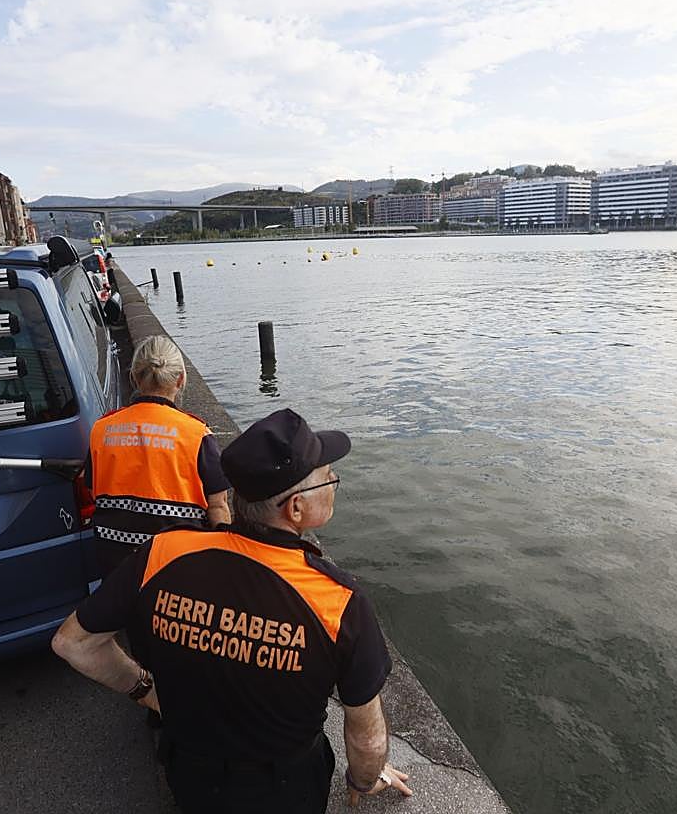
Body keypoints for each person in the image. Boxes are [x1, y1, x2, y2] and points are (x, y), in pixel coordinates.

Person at [53, 408, 413, 813]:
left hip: (190, 771)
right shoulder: (338, 601)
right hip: (284, 788)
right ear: (295, 509)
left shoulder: (163, 553)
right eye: (330, 479)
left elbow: (73, 644)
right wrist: (364, 779)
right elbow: (366, 738)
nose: (334, 486)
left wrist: (146, 690)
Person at [85, 335, 230, 577]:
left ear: (134, 378)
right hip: (177, 565)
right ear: (180, 380)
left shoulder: (102, 430)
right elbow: (218, 506)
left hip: (116, 565)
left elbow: (93, 491)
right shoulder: (197, 435)